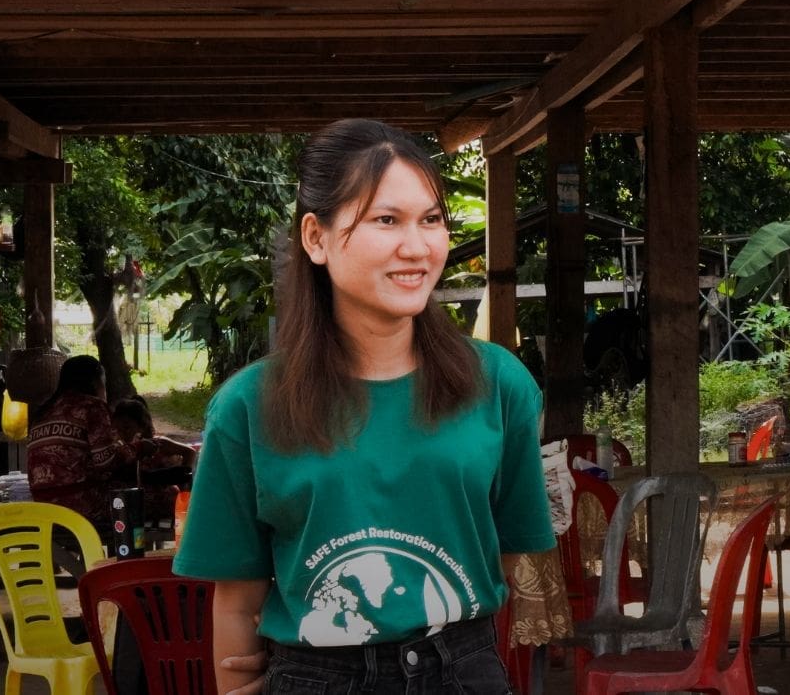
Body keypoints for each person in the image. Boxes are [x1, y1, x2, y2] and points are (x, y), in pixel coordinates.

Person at [173, 119, 555, 694]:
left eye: (431, 220)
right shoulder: (249, 407)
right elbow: (236, 599)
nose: (417, 246)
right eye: (386, 220)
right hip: (315, 674)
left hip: (464, 668)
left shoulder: (498, 383)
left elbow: (500, 556)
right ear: (316, 238)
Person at [27, 355, 137, 525]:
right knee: (159, 496)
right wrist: (135, 450)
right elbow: (105, 462)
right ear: (95, 382)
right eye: (103, 382)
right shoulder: (92, 406)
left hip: (44, 508)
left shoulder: (43, 412)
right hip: (82, 504)